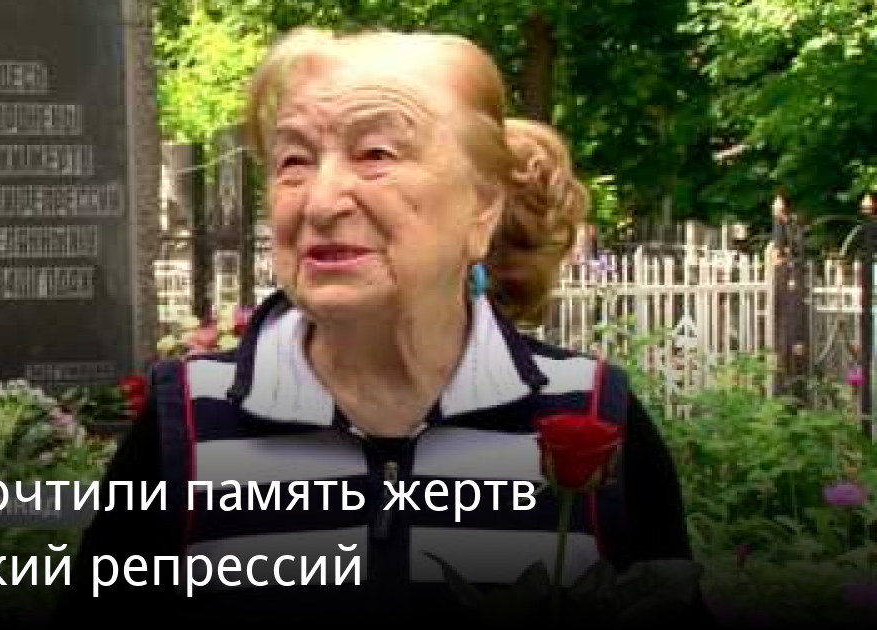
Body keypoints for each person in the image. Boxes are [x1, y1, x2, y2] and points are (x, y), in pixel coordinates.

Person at [56, 26, 707, 623]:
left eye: (375, 153)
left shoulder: (593, 420)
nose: (321, 202)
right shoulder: (187, 422)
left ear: (483, 205)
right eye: (293, 161)